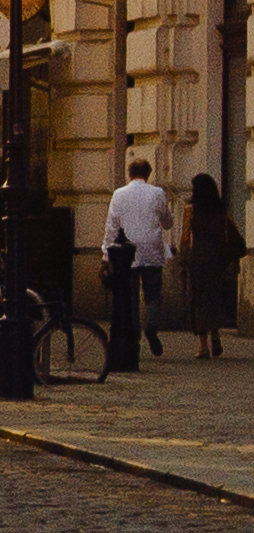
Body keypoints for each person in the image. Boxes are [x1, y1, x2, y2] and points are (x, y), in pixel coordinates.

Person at [105, 151, 173, 371]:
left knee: (129, 297)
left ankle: (132, 337)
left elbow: (112, 227)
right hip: (152, 250)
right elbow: (167, 222)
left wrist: (106, 255)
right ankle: (151, 326)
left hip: (126, 254)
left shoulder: (118, 194)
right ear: (148, 174)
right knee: (153, 294)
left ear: (129, 174)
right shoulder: (157, 193)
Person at [190, 168, 243, 363]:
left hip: (198, 259)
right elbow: (230, 235)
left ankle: (203, 345)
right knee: (214, 297)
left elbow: (185, 239)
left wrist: (182, 261)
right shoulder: (221, 211)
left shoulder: (191, 211)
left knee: (198, 301)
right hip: (216, 260)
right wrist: (234, 261)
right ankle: (215, 333)